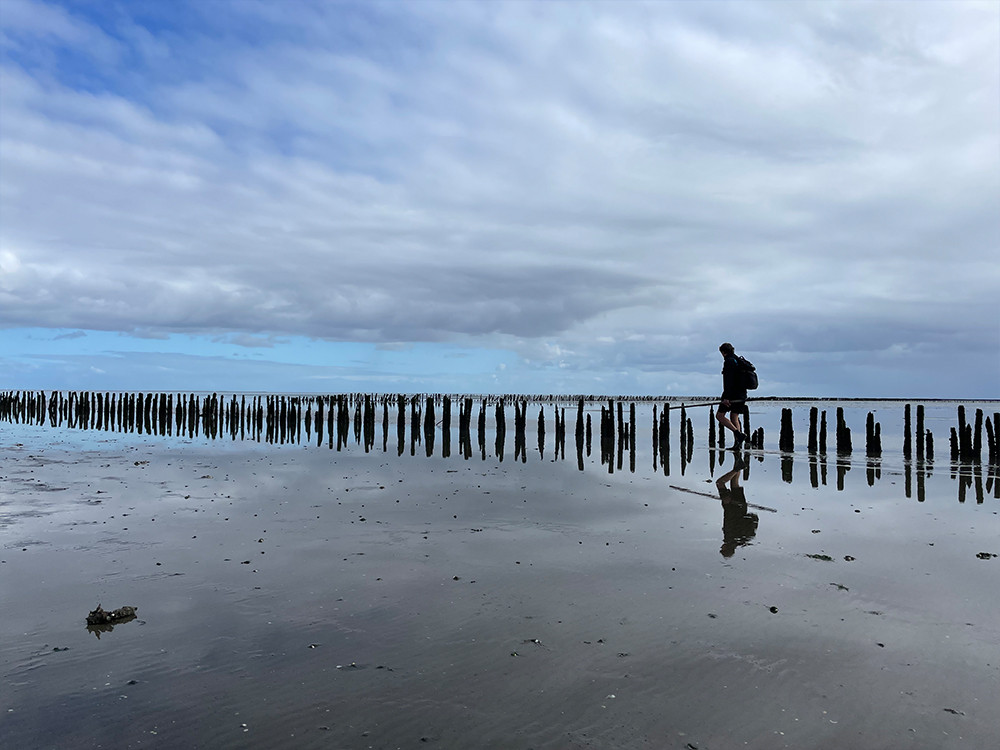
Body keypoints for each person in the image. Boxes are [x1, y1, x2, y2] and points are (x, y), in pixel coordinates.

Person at [716, 342, 749, 448]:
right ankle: (738, 444)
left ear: (723, 352)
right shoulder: (738, 360)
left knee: (720, 416)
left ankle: (738, 434)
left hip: (732, 395)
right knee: (734, 417)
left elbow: (728, 381)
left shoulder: (729, 361)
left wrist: (726, 398)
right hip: (742, 394)